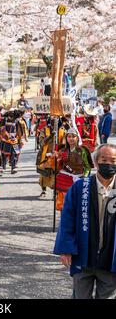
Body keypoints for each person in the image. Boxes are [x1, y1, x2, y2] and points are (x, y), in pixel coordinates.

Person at [53, 144, 116, 299]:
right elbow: (67, 219)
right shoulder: (80, 187)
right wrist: (66, 248)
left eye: (113, 160)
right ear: (95, 162)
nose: (108, 164)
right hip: (83, 255)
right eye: (104, 159)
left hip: (111, 260)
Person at [55, 128, 93, 211]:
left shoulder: (82, 150)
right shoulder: (62, 150)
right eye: (69, 136)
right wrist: (55, 159)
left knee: (77, 203)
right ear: (66, 138)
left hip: (78, 177)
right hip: (64, 178)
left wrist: (84, 176)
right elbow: (59, 166)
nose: (71, 139)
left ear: (77, 138)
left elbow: (87, 166)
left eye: (73, 136)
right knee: (64, 203)